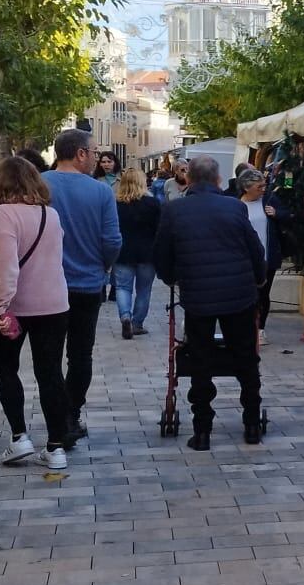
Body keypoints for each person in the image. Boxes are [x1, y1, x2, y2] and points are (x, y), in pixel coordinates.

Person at [155, 155, 266, 451]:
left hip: (198, 296)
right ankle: (252, 423)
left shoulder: (174, 210)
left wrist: (171, 278)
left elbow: (162, 255)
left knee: (200, 360)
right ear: (218, 180)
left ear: (188, 179)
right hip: (239, 295)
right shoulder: (234, 207)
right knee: (245, 358)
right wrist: (259, 279)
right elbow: (254, 249)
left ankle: (202, 429)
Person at [0, 158, 72, 471]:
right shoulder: (50, 214)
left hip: (17, 306)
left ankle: (20, 436)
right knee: (50, 372)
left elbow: (7, 265)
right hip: (54, 302)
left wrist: (0, 307)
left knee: (6, 369)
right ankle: (56, 446)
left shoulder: (3, 213)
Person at [42, 129, 122, 444]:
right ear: (80, 154)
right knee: (80, 354)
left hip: (45, 283)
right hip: (87, 284)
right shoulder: (100, 192)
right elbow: (112, 239)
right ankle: (70, 415)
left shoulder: (39, 184)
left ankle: (56, 419)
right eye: (93, 151)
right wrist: (103, 265)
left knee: (48, 356)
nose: (96, 157)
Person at [113, 167, 161, 340]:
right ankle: (137, 323)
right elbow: (159, 230)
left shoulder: (116, 204)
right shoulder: (153, 204)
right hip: (147, 253)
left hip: (123, 252)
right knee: (144, 290)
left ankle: (125, 316)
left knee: (122, 287)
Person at [238, 169, 283, 345]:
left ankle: (260, 329)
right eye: (259, 186)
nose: (263, 189)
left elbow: (289, 216)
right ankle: (246, 327)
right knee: (245, 294)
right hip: (243, 258)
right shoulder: (236, 205)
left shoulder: (269, 200)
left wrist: (276, 214)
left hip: (267, 255)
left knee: (263, 293)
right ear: (246, 187)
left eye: (264, 185)